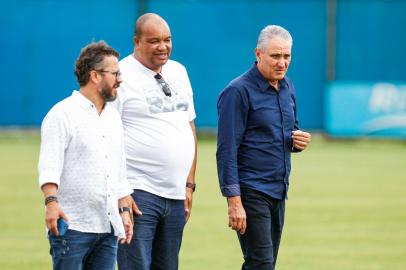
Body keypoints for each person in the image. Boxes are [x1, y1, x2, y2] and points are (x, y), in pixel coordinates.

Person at [216, 25, 311, 270]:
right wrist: (234, 201)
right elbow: (226, 151)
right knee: (261, 264)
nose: (282, 62)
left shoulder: (287, 87)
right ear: (258, 54)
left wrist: (297, 141)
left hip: (279, 190)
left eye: (286, 56)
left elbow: (289, 132)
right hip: (251, 190)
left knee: (264, 264)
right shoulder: (237, 91)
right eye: (275, 56)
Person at [38, 41, 135, 270]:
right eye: (115, 73)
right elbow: (49, 165)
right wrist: (51, 203)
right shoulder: (61, 114)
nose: (120, 79)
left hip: (107, 228)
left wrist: (124, 210)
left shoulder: (113, 118)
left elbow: (118, 170)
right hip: (72, 228)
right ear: (95, 76)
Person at [114, 13, 197, 270]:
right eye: (154, 41)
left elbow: (189, 126)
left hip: (175, 194)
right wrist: (120, 191)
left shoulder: (179, 71)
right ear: (136, 42)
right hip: (138, 193)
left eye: (167, 40)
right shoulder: (120, 74)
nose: (163, 47)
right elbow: (107, 136)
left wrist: (189, 185)